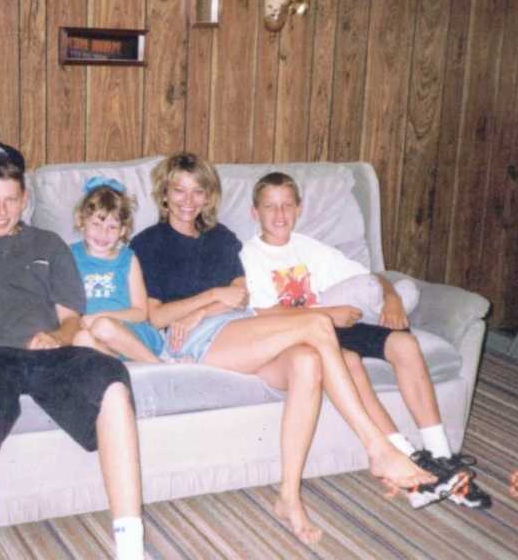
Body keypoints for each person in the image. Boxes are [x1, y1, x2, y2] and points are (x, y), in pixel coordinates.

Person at [130, 153, 451, 546]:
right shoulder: (148, 244)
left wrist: (207, 305)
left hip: (239, 326)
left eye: (197, 190)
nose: (187, 200)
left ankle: (289, 496)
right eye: (178, 189)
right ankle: (378, 447)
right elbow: (157, 316)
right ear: (164, 193)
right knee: (317, 323)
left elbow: (241, 295)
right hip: (193, 341)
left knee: (307, 359)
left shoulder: (222, 238)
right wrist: (212, 299)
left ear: (208, 195)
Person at [0, 142, 146, 560]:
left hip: (46, 352)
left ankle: (130, 546)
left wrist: (58, 337)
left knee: (112, 380)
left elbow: (72, 316)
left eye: (10, 200)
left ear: (25, 199)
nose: (1, 211)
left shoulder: (49, 243)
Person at [240, 171, 491, 509]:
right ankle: (406, 456)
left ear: (298, 209)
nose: (280, 214)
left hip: (335, 322)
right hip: (299, 333)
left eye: (287, 205)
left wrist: (391, 298)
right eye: (270, 206)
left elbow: (370, 277)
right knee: (349, 361)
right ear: (255, 213)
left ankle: (442, 456)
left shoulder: (311, 248)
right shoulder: (251, 255)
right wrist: (326, 315)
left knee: (405, 344)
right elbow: (262, 313)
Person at [70, 177, 165, 363]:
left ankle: (157, 365)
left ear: (123, 230)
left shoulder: (128, 259)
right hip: (94, 337)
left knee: (103, 326)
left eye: (112, 227)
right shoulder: (70, 255)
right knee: (80, 339)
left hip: (131, 332)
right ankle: (121, 364)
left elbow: (140, 312)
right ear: (82, 222)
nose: (103, 234)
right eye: (96, 224)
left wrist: (101, 316)